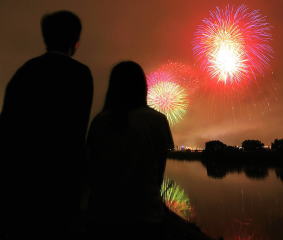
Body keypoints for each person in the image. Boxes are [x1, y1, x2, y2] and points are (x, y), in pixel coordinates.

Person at [0, 11, 93, 239]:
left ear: (46, 37)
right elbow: (78, 131)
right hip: (63, 181)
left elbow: (7, 128)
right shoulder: (81, 75)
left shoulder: (24, 73)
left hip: (24, 181)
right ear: (76, 41)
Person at [87, 61, 174, 239]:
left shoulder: (100, 121)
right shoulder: (158, 121)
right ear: (143, 86)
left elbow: (93, 170)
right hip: (147, 215)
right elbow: (158, 173)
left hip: (104, 215)